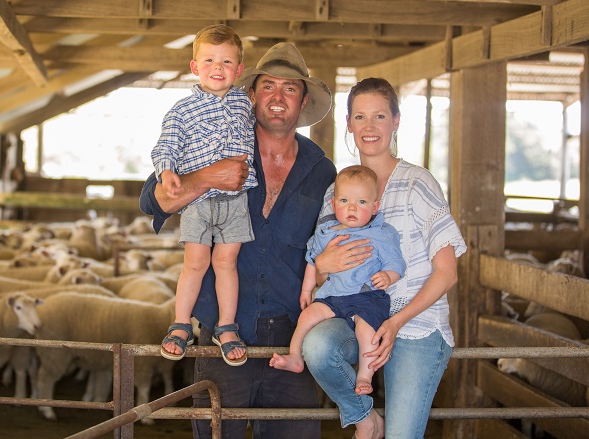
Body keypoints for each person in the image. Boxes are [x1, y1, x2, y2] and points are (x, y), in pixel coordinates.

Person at [141, 42, 343, 438]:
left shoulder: (322, 170)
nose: (278, 97)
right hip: (222, 333)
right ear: (251, 95)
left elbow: (334, 235)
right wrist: (207, 177)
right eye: (268, 86)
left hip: (292, 340)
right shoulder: (213, 142)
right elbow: (154, 200)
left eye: (290, 88)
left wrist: (328, 265)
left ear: (303, 101)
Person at [301, 77, 467, 439]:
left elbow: (447, 272)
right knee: (316, 345)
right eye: (360, 117)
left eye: (379, 116)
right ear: (348, 123)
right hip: (358, 315)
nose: (369, 127)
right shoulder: (339, 190)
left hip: (416, 324)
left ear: (396, 121)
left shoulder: (418, 182)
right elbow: (324, 269)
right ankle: (365, 417)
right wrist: (322, 267)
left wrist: (395, 323)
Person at [152, 24, 257, 366]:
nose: (218, 68)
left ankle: (226, 327)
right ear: (195, 67)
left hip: (235, 200)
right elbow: (166, 145)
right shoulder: (181, 111)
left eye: (227, 62)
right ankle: (181, 325)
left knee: (227, 263)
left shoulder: (245, 102)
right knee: (195, 263)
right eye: (209, 60)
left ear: (238, 71)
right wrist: (167, 172)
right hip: (196, 200)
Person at [270, 165, 406, 399]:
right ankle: (295, 357)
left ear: (374, 207)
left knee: (367, 332)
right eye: (344, 200)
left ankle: (365, 375)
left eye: (361, 202)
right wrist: (307, 289)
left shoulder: (383, 233)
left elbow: (396, 264)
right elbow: (312, 260)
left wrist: (388, 276)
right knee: (307, 316)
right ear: (333, 205)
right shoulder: (325, 232)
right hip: (333, 296)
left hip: (367, 297)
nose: (352, 207)